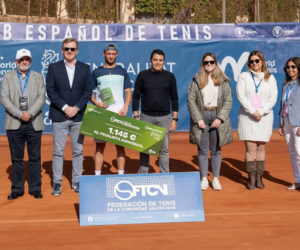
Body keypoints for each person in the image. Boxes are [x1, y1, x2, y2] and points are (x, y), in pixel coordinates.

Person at [46, 38, 93, 196]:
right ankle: (57, 183)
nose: (69, 51)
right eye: (66, 49)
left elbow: (87, 92)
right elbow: (51, 91)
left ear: (77, 50)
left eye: (72, 49)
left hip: (78, 117)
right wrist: (66, 108)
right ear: (62, 50)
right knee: (58, 152)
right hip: (59, 115)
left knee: (78, 151)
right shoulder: (53, 67)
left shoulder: (85, 68)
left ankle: (76, 181)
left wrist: (77, 108)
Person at [0, 48, 45, 199]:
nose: (24, 62)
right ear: (16, 62)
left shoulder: (38, 77)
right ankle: (17, 189)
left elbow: (41, 97)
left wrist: (30, 113)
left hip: (34, 121)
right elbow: (4, 98)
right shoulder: (7, 77)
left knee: (35, 158)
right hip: (15, 122)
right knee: (16, 158)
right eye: (21, 59)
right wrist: (19, 113)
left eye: (27, 59)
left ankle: (35, 188)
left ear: (30, 61)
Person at [187, 52, 233, 191]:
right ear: (203, 64)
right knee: (202, 150)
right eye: (206, 62)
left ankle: (216, 179)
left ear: (215, 63)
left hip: (217, 115)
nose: (209, 65)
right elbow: (191, 100)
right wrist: (198, 119)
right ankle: (203, 178)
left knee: (216, 150)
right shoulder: (196, 79)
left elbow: (228, 100)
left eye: (211, 62)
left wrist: (220, 118)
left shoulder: (223, 80)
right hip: (202, 116)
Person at [132, 49, 178, 173]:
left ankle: (165, 175)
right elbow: (136, 96)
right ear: (150, 61)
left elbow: (174, 98)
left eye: (160, 60)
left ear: (164, 62)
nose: (158, 62)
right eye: (155, 60)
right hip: (146, 117)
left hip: (165, 118)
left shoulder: (169, 77)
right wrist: (136, 116)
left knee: (164, 150)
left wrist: (174, 119)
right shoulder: (142, 75)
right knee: (145, 147)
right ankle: (143, 175)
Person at [236, 50, 277, 190]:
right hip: (248, 117)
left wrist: (261, 111)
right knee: (250, 147)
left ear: (262, 62)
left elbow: (273, 98)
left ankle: (259, 177)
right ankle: (251, 178)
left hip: (264, 117)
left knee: (261, 147)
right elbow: (241, 96)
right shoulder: (244, 76)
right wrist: (253, 111)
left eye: (257, 61)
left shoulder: (270, 78)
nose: (254, 64)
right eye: (251, 61)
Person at [91, 44, 132, 175]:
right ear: (104, 54)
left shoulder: (122, 71)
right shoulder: (96, 72)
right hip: (102, 115)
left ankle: (120, 175)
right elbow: (88, 91)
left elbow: (128, 92)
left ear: (117, 55)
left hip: (119, 114)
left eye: (113, 54)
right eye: (108, 54)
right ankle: (97, 176)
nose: (111, 56)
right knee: (99, 147)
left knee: (120, 147)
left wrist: (125, 108)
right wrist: (96, 103)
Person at [278, 57, 300, 190]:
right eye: (288, 67)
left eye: (293, 67)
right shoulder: (286, 85)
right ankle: (297, 181)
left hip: (298, 122)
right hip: (286, 121)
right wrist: (280, 124)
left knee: (299, 151)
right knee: (292, 152)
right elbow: (283, 105)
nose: (290, 69)